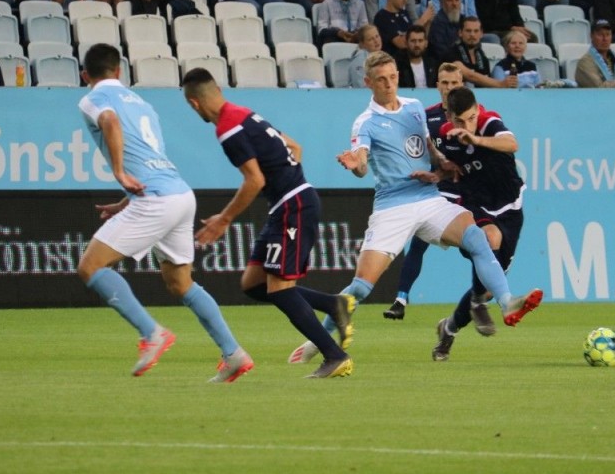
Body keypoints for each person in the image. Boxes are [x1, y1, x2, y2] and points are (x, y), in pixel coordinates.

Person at [286, 50, 544, 365]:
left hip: (429, 199)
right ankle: (317, 342)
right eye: (381, 80)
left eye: (393, 77)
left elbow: (429, 150)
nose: (389, 84)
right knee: (363, 286)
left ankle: (507, 302)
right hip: (393, 207)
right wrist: (356, 164)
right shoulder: (365, 121)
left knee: (477, 238)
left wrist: (442, 164)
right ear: (368, 83)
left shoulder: (414, 107)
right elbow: (363, 162)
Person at [74, 45, 250, 382]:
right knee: (180, 282)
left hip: (155, 199)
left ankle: (151, 333)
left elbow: (109, 121)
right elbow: (152, 158)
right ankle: (234, 353)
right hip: (180, 194)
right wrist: (125, 199)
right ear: (120, 71)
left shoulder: (92, 98)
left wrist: (120, 174)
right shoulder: (142, 103)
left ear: (86, 76)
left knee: (90, 267)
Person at [180, 68, 356, 379]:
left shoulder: (227, 128)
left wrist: (224, 219)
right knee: (253, 283)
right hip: (288, 204)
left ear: (194, 104)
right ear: (217, 89)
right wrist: (285, 186)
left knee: (279, 289)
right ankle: (333, 303)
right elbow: (295, 148)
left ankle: (335, 355)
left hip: (293, 206)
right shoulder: (244, 113)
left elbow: (254, 179)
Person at [432, 85, 528, 361]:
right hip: (475, 203)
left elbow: (512, 144)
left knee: (486, 290)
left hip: (510, 205)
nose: (467, 124)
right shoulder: (443, 138)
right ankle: (478, 302)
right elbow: (440, 164)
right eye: (460, 121)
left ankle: (449, 329)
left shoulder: (488, 122)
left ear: (478, 111)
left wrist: (475, 138)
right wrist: (439, 170)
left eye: (471, 117)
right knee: (489, 238)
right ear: (449, 116)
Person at [383, 61, 466, 320]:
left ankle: (482, 297)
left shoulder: (474, 116)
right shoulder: (426, 117)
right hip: (437, 190)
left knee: (476, 246)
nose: (449, 88)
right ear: (437, 85)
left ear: (462, 85)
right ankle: (401, 299)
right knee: (418, 243)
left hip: (469, 192)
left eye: (454, 83)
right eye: (445, 83)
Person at [449, 15, 513, 88]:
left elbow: (486, 82)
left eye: (476, 31)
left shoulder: (482, 57)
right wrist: (500, 84)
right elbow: (469, 75)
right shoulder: (452, 52)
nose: (472, 34)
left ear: (481, 33)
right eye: (468, 31)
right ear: (460, 33)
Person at [575, 18, 615, 88]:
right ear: (591, 36)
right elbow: (599, 88)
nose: (605, 39)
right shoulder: (585, 62)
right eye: (600, 35)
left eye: (608, 34)